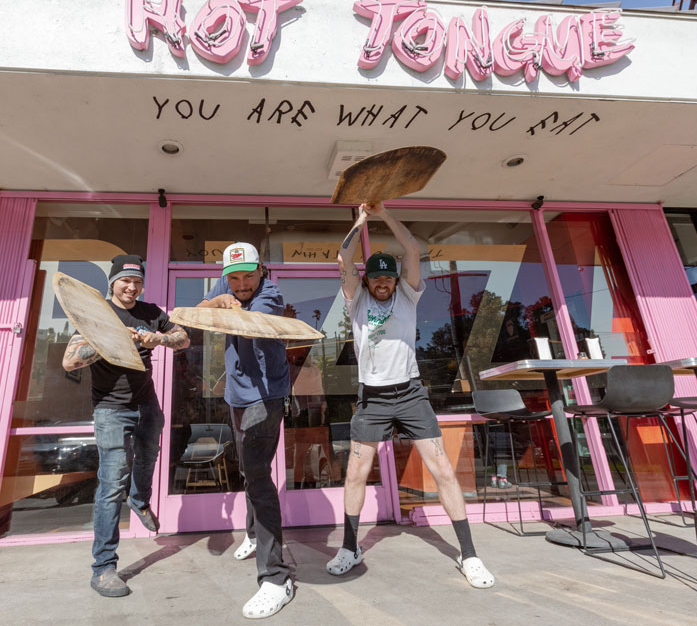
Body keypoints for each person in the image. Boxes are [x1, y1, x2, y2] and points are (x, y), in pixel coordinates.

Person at [327, 204, 495, 589]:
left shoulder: (407, 296)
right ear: (367, 281)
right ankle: (350, 547)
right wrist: (362, 218)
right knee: (355, 473)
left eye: (388, 277)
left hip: (411, 394)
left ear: (395, 279)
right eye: (376, 278)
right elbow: (343, 257)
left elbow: (414, 250)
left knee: (442, 471)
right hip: (372, 398)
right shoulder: (357, 302)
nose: (383, 283)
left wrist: (384, 212)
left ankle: (469, 555)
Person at [62, 254, 190, 598]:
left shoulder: (150, 312)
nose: (131, 288)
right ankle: (103, 568)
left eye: (137, 282)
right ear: (113, 282)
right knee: (110, 484)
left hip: (146, 404)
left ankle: (140, 499)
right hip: (110, 410)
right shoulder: (96, 313)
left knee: (150, 452)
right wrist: (110, 340)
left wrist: (157, 339)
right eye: (125, 281)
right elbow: (71, 359)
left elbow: (183, 338)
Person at [197, 242, 294, 619]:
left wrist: (226, 306)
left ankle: (275, 578)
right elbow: (196, 314)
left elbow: (246, 321)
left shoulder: (270, 292)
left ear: (261, 272)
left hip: (268, 396)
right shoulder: (227, 287)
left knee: (256, 475)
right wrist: (215, 302)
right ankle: (254, 535)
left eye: (247, 276)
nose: (241, 284)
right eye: (233, 278)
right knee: (249, 470)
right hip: (237, 395)